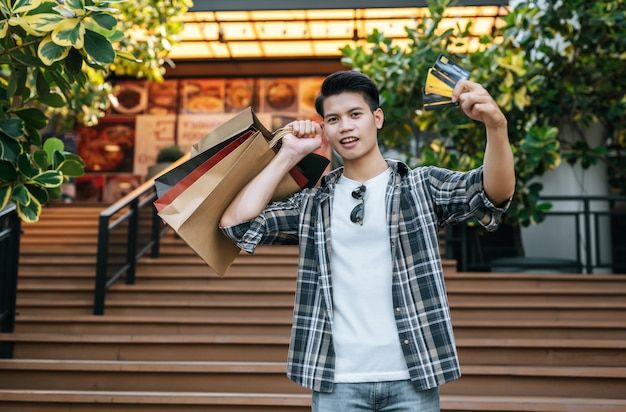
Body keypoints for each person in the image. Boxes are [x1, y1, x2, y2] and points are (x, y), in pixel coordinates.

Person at [220, 70, 515, 411]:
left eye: (355, 114)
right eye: (333, 119)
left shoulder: (420, 186)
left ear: (377, 118)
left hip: (411, 377)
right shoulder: (314, 204)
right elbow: (236, 225)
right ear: (325, 129)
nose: (345, 126)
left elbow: (492, 194)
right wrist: (289, 153)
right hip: (338, 382)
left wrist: (496, 126)